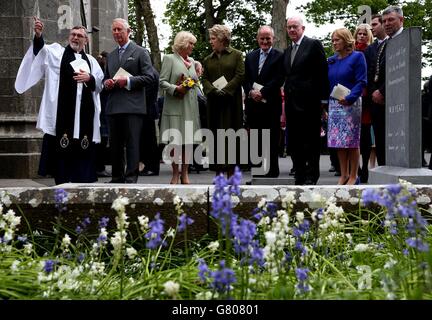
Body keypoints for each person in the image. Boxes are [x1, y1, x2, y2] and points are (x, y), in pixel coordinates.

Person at [15, 17, 104, 185]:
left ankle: (81, 185)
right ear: (69, 37)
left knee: (82, 153)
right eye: (73, 34)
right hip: (61, 117)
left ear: (85, 40)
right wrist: (39, 35)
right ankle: (61, 184)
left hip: (83, 118)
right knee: (62, 155)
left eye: (79, 35)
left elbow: (100, 84)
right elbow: (41, 51)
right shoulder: (57, 53)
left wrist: (90, 78)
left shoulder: (91, 61)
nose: (75, 38)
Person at [104, 18, 155, 183]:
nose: (116, 33)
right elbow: (105, 79)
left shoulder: (140, 52)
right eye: (114, 30)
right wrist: (107, 83)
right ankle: (117, 176)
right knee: (115, 145)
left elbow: (149, 77)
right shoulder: (110, 56)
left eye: (119, 29)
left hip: (133, 106)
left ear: (128, 31)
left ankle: (131, 177)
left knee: (132, 144)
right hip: (114, 106)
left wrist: (127, 81)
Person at [283, 16, 329, 185]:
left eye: (295, 27)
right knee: (295, 142)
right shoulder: (288, 51)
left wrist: (323, 102)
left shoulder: (313, 44)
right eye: (289, 27)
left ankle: (312, 175)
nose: (292, 30)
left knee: (310, 141)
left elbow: (322, 73)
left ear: (303, 28)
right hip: (291, 104)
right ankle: (300, 174)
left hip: (310, 103)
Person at [202, 24, 245, 178]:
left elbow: (240, 75)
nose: (211, 42)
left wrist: (226, 90)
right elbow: (204, 78)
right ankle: (219, 176)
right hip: (214, 103)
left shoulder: (237, 55)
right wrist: (213, 91)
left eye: (213, 38)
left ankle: (232, 177)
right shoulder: (208, 59)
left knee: (231, 136)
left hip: (231, 103)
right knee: (216, 136)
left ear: (222, 39)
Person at [159, 31, 201, 184]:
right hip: (175, 106)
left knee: (188, 142)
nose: (192, 47)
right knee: (174, 141)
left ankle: (185, 173)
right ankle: (175, 173)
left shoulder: (193, 61)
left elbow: (195, 82)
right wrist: (176, 88)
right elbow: (162, 82)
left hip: (190, 106)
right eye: (191, 43)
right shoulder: (169, 59)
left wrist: (193, 80)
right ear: (182, 43)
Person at [243, 25, 284, 178]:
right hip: (253, 105)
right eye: (262, 38)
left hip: (271, 104)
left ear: (273, 39)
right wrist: (250, 92)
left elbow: (279, 78)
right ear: (257, 39)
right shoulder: (250, 56)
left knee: (271, 139)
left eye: (268, 38)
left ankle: (272, 171)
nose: (265, 41)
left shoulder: (280, 56)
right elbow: (245, 78)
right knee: (256, 139)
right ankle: (258, 171)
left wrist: (263, 92)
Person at [327, 28, 367, 185]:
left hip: (351, 104)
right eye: (333, 40)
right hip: (335, 104)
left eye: (337, 39)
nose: (334, 43)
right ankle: (343, 175)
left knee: (351, 141)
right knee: (338, 142)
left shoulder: (357, 57)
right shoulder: (331, 60)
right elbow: (327, 83)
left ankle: (353, 175)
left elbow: (362, 81)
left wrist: (350, 97)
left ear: (346, 40)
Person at [371, 6, 404, 166]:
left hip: (398, 101)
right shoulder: (383, 44)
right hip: (379, 103)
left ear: (401, 20)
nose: (387, 24)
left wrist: (383, 91)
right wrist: (374, 92)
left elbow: (402, 71)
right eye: (384, 21)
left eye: (391, 20)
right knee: (381, 142)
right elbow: (375, 72)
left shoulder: (406, 39)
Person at [365, 14, 388, 170]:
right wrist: (374, 92)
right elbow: (367, 73)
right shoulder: (370, 49)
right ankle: (382, 168)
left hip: (391, 96)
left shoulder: (394, 43)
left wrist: (383, 91)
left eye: (374, 24)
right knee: (379, 136)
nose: (372, 28)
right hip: (374, 100)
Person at [354, 23, 373, 183]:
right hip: (352, 96)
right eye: (359, 33)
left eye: (364, 33)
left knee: (365, 135)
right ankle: (356, 168)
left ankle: (365, 167)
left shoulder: (371, 51)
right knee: (354, 136)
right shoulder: (351, 51)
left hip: (366, 99)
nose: (361, 36)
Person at [139, 61, 161, 177]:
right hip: (149, 109)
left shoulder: (150, 73)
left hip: (147, 109)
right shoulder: (153, 72)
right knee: (149, 140)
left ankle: (151, 167)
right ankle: (150, 166)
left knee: (149, 141)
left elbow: (145, 93)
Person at [95, 51, 111, 178]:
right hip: (103, 109)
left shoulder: (100, 71)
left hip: (102, 109)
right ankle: (99, 167)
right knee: (102, 139)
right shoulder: (103, 73)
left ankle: (99, 167)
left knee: (101, 139)